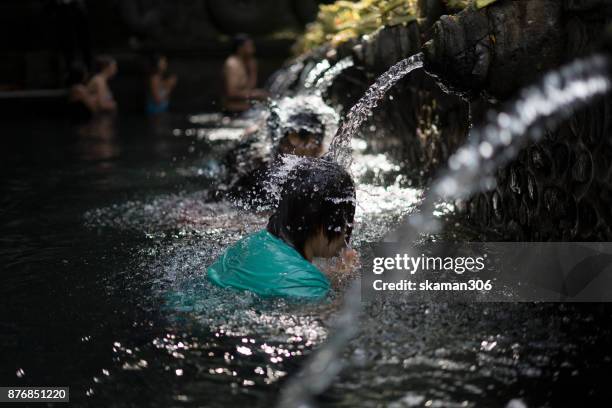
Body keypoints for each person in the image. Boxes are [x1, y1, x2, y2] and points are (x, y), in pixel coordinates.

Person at [207, 157, 358, 301]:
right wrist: (343, 281)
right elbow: (328, 316)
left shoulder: (249, 243)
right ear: (321, 227)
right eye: (347, 221)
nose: (351, 226)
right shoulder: (308, 285)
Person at [224, 110, 327, 210]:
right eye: (301, 136)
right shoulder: (259, 181)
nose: (315, 145)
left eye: (318, 139)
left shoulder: (325, 177)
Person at [222, 34, 269, 114]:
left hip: (247, 109)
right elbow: (231, 93)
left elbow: (250, 87)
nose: (253, 49)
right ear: (240, 48)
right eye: (249, 46)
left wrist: (253, 71)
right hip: (234, 111)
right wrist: (255, 94)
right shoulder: (232, 64)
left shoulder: (247, 63)